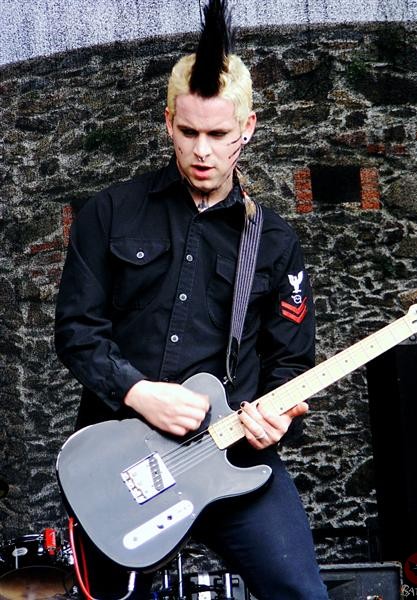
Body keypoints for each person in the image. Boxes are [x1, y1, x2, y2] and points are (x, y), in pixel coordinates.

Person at [55, 1, 329, 598]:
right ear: (168, 123)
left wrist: (276, 419)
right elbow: (76, 329)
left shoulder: (274, 241)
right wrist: (138, 392)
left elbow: (289, 360)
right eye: (189, 132)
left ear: (247, 128)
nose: (203, 150)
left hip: (233, 459)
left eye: (219, 134)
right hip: (121, 467)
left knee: (301, 593)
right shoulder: (110, 212)